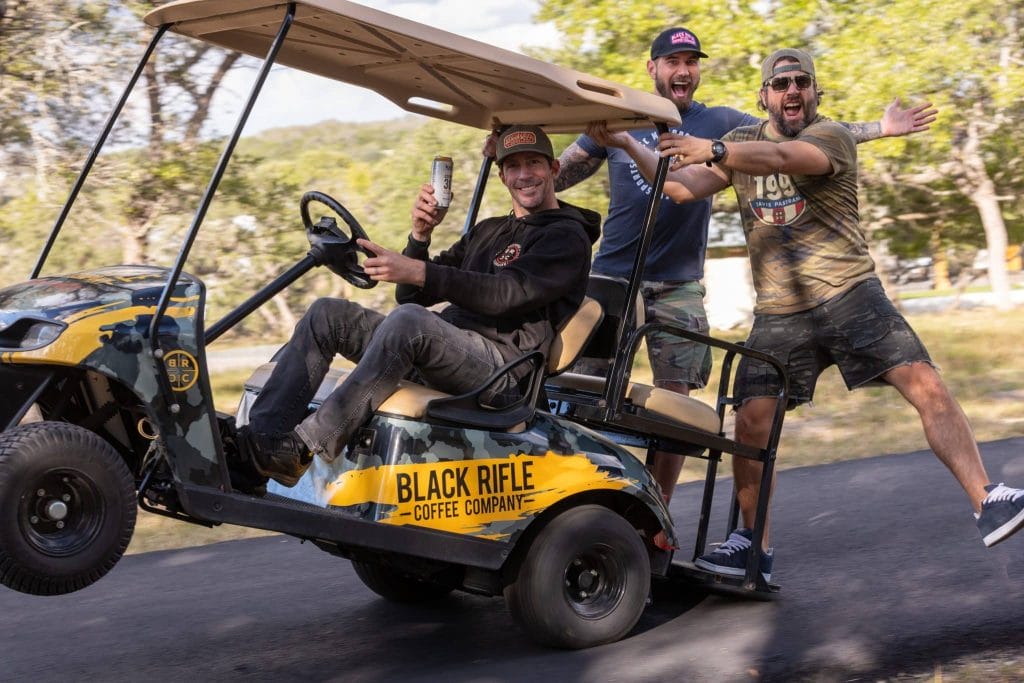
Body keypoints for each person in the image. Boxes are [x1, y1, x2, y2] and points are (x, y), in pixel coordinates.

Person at [589, 48, 1024, 581]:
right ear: (765, 96)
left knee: (926, 385)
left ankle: (989, 498)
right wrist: (631, 143)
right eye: (781, 84)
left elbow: (783, 161)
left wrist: (714, 147)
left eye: (801, 82)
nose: (792, 91)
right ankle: (753, 545)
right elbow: (679, 186)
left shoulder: (830, 137)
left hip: (849, 293)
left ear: (815, 92)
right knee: (750, 423)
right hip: (780, 310)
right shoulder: (743, 143)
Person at [554, 27, 937, 504]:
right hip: (611, 275)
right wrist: (521, 161)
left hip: (679, 284)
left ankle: (656, 513)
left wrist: (881, 128)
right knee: (581, 392)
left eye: (691, 61)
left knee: (674, 404)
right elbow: (562, 169)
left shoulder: (721, 124)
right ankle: (573, 499)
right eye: (673, 61)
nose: (683, 70)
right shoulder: (621, 118)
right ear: (652, 68)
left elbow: (797, 136)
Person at [236, 125, 601, 487]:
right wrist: (420, 237)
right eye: (514, 166)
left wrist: (419, 271)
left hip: (502, 371)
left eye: (533, 163)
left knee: (411, 322)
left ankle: (304, 446)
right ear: (503, 175)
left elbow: (505, 294)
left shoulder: (566, 237)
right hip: (448, 354)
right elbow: (411, 294)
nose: (524, 175)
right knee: (327, 314)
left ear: (553, 169)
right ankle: (262, 445)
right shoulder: (489, 230)